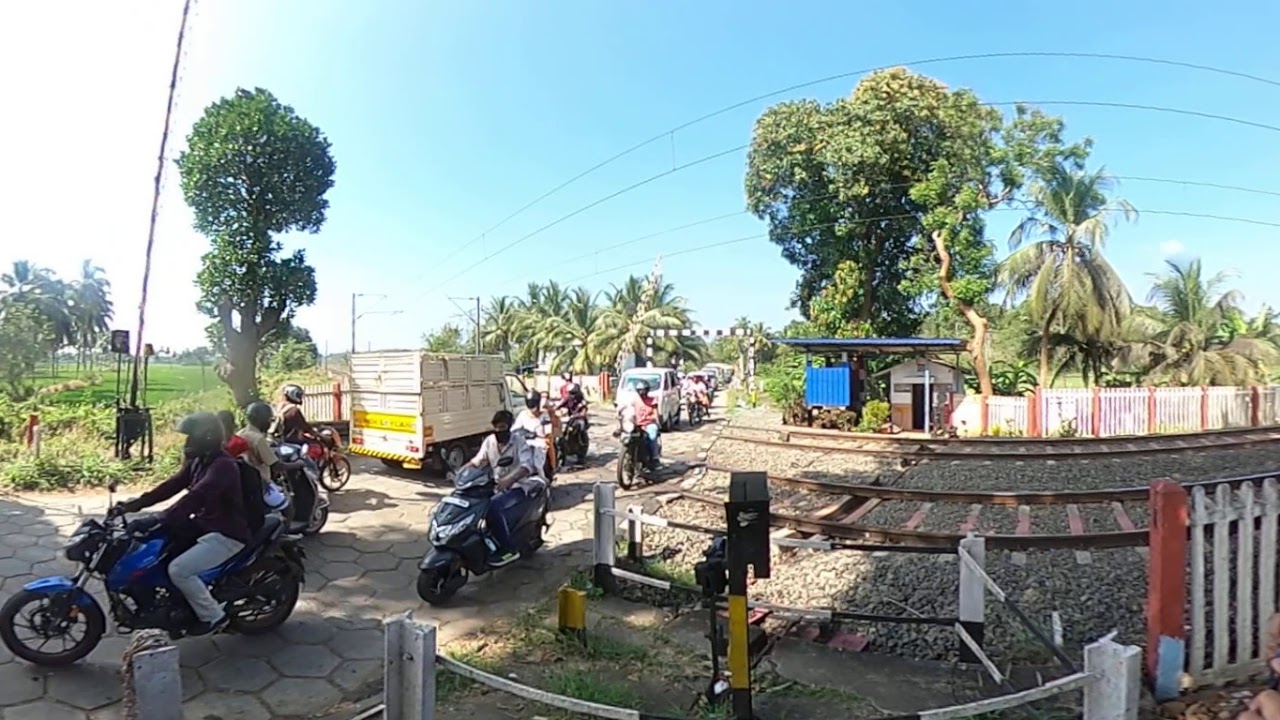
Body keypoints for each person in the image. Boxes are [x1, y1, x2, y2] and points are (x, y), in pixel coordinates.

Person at [114, 412, 251, 636]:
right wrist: (134, 505)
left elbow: (194, 498)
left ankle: (214, 617)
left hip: (226, 534)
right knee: (156, 551)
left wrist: (157, 518)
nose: (187, 443)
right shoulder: (200, 461)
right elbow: (173, 485)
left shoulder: (222, 467)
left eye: (191, 438)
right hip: (205, 526)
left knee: (179, 570)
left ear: (206, 438)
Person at [461, 410, 542, 566]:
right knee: (473, 504)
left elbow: (527, 466)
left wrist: (510, 480)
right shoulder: (490, 441)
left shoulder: (519, 442)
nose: (499, 431)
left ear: (510, 427)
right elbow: (479, 460)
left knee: (492, 507)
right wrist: (464, 471)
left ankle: (508, 549)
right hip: (496, 486)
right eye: (496, 427)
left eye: (503, 427)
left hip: (518, 486)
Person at [513, 391, 553, 482]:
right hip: (525, 441)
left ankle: (543, 479)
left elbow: (547, 431)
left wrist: (538, 434)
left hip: (539, 441)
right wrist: (524, 433)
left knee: (537, 463)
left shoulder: (544, 415)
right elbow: (514, 429)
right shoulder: (523, 414)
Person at [628, 380, 661, 469]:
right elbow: (629, 411)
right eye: (640, 390)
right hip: (637, 424)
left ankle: (655, 457)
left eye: (643, 390)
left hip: (648, 424)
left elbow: (655, 413)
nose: (642, 393)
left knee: (652, 436)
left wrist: (656, 422)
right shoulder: (634, 400)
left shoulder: (652, 400)